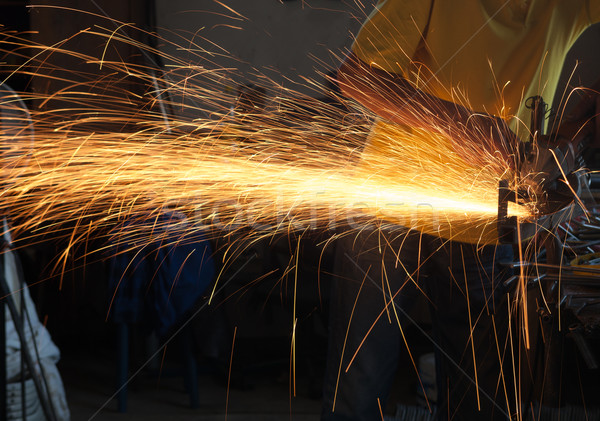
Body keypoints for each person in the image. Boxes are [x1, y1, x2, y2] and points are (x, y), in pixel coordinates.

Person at [321, 1, 600, 420]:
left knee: (479, 395)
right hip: (389, 206)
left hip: (486, 224)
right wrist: (456, 121)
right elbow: (356, 78)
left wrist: (574, 128)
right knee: (360, 384)